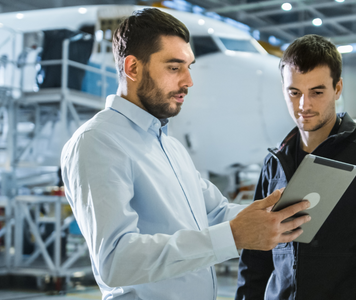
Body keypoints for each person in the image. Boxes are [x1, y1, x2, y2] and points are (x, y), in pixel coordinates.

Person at [60, 8, 310, 300]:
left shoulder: (169, 146)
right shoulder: (99, 142)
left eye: (189, 66)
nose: (189, 81)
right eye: (174, 67)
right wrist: (233, 237)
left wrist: (280, 215)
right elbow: (115, 260)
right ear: (132, 68)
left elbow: (214, 213)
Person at [235, 34, 356, 300]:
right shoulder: (275, 163)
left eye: (317, 92)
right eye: (294, 92)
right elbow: (255, 259)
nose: (304, 105)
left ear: (337, 89)